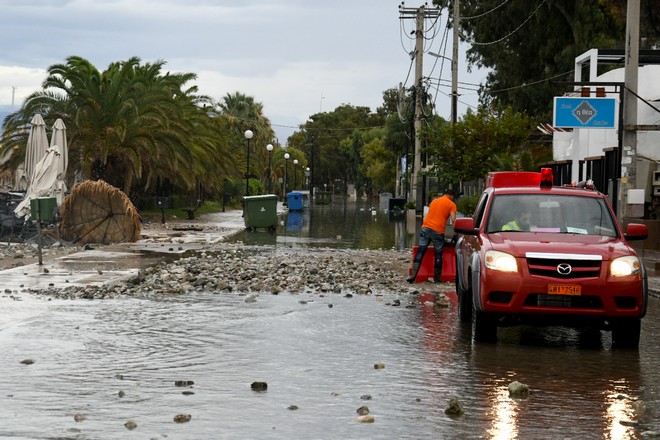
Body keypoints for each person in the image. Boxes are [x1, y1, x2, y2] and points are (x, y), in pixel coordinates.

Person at [406, 189, 457, 283]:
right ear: (451, 196)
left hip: (425, 228)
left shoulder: (434, 201)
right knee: (438, 254)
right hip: (438, 231)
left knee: (421, 251)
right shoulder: (451, 204)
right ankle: (437, 279)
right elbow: (453, 220)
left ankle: (412, 276)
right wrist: (456, 233)